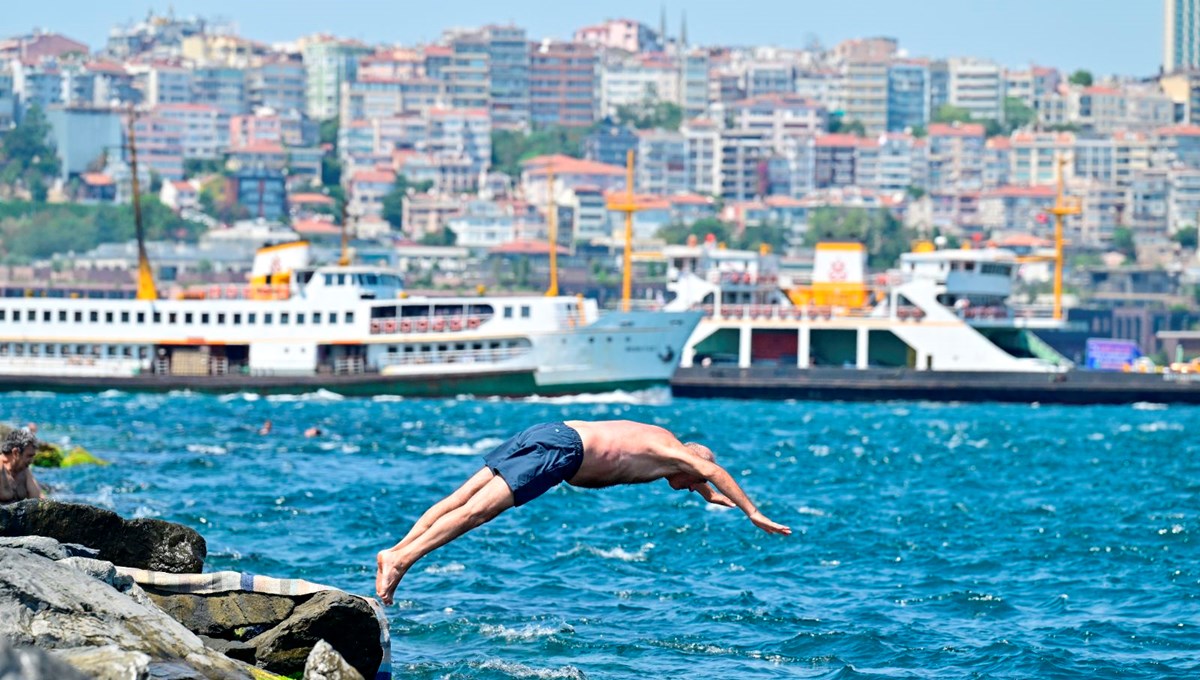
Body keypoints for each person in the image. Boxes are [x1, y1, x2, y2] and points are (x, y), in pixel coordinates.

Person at [375, 420, 791, 604]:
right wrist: (752, 512)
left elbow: (703, 480)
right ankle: (402, 560)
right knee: (476, 513)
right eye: (691, 481)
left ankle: (395, 550)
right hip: (563, 452)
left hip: (549, 431)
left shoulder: (666, 445)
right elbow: (711, 470)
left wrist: (719, 499)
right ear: (688, 465)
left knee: (457, 499)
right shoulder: (673, 455)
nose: (687, 487)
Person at [0, 429, 43, 504]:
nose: (32, 461)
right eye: (29, 456)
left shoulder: (24, 470)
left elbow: (39, 499)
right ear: (16, 452)